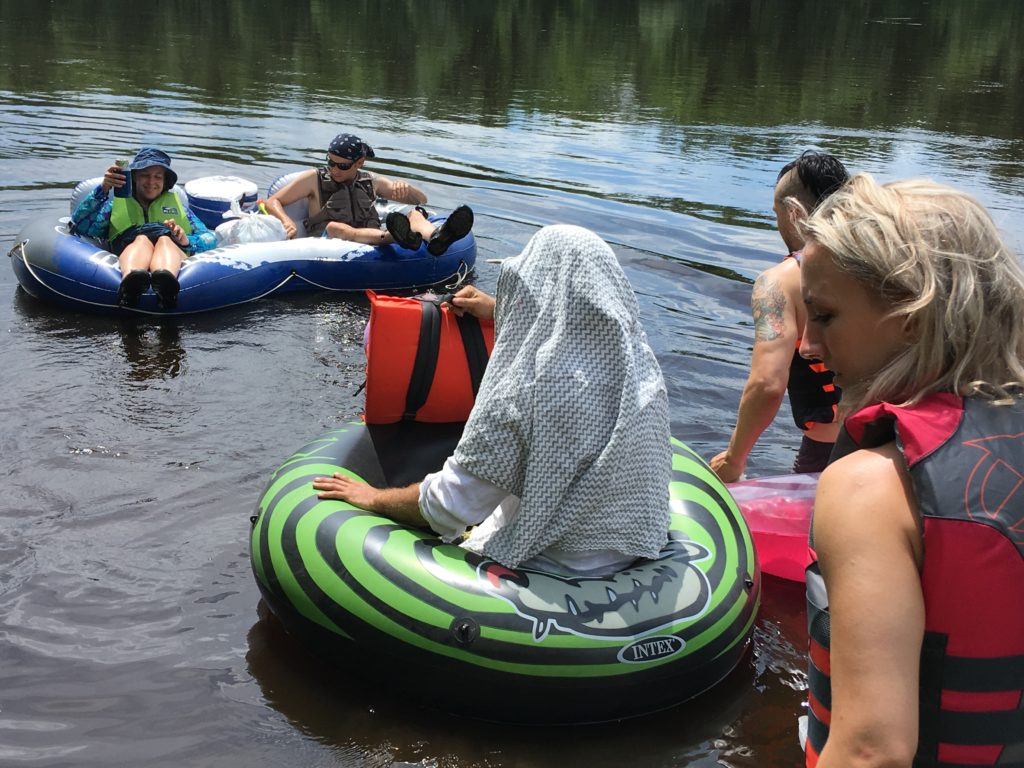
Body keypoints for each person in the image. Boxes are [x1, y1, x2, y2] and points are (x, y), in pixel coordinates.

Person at [798, 174, 1024, 767]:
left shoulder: (872, 487)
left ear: (912, 311)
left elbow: (872, 751)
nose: (806, 343)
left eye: (823, 315)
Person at [314, 225, 671, 575]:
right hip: (632, 555)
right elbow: (569, 318)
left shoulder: (525, 393)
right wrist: (499, 310)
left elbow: (447, 507)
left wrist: (372, 497)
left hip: (551, 566)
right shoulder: (642, 375)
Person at [710, 151, 849, 481]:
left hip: (827, 454)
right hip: (891, 440)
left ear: (793, 212)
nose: (777, 224)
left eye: (777, 213)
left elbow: (767, 384)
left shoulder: (780, 282)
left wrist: (734, 459)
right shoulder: (881, 264)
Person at [264, 132, 474, 255]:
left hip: (369, 238)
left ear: (359, 163)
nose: (335, 169)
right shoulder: (313, 179)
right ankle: (396, 237)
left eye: (343, 166)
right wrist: (285, 221)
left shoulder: (370, 181)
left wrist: (406, 188)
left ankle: (436, 237)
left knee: (414, 214)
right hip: (329, 241)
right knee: (335, 226)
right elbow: (273, 201)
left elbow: (422, 200)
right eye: (330, 162)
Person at [71, 147, 217, 309]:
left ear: (165, 181)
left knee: (164, 240)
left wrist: (186, 240)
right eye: (145, 175)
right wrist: (103, 189)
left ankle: (166, 286)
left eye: (157, 177)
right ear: (134, 177)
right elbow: (81, 224)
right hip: (133, 247)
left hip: (170, 249)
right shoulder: (114, 205)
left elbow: (210, 239)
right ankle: (131, 283)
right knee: (141, 239)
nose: (151, 182)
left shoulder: (182, 210)